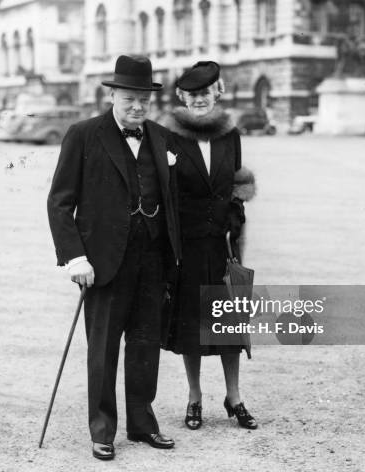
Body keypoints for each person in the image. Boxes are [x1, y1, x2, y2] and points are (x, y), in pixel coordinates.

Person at [47, 55, 180, 461]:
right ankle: (102, 429)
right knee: (103, 351)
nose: (137, 106)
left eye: (144, 99)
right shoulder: (84, 134)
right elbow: (59, 202)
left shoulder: (159, 137)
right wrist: (75, 258)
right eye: (129, 98)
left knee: (145, 346)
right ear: (113, 96)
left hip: (152, 261)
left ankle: (142, 423)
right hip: (103, 265)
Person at [161, 61, 257, 431]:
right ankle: (194, 396)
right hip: (186, 244)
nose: (199, 99)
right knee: (191, 323)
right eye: (192, 94)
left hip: (221, 243)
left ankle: (234, 397)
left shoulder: (228, 133)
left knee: (228, 322)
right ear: (182, 96)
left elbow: (236, 179)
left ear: (217, 93)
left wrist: (236, 211)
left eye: (206, 92)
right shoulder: (168, 135)